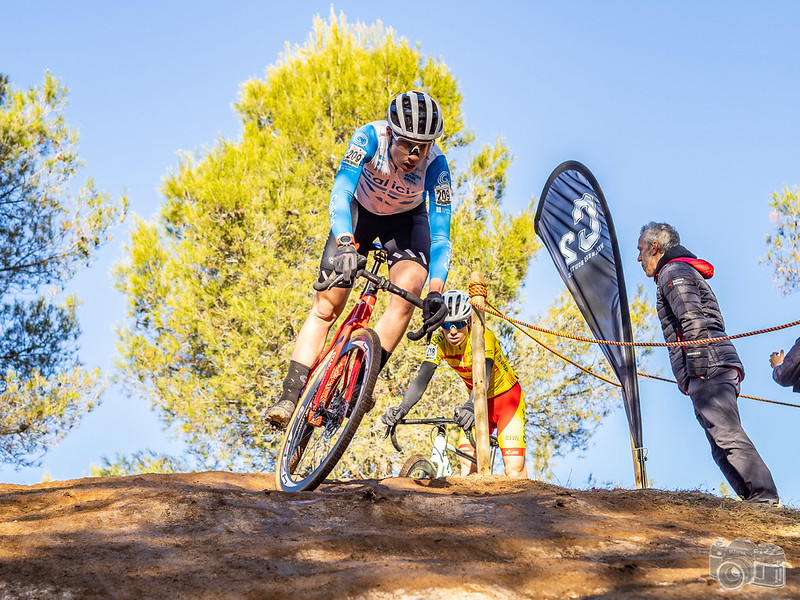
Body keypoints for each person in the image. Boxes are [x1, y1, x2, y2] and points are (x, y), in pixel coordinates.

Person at [265, 90, 452, 429]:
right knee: (327, 306)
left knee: (409, 292)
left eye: (421, 148)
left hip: (405, 223)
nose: (413, 155)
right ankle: (289, 396)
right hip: (358, 215)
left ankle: (360, 384)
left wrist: (436, 291)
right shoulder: (369, 137)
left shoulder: (437, 167)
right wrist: (345, 244)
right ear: (391, 133)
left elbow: (440, 235)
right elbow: (341, 191)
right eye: (406, 144)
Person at [637, 222, 779, 504]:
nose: (638, 258)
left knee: (726, 434)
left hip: (709, 365)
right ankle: (753, 501)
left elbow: (692, 318)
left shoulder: (673, 271)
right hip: (712, 364)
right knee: (719, 442)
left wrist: (697, 371)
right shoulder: (676, 271)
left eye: (640, 250)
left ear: (655, 247)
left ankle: (764, 498)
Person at [381, 290, 529, 479]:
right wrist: (403, 407)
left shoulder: (483, 337)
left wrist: (470, 406)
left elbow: (484, 375)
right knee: (467, 468)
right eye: (446, 324)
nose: (452, 331)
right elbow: (422, 377)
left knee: (514, 470)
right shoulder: (438, 341)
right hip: (477, 400)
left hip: (507, 401)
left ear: (469, 321)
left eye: (458, 324)